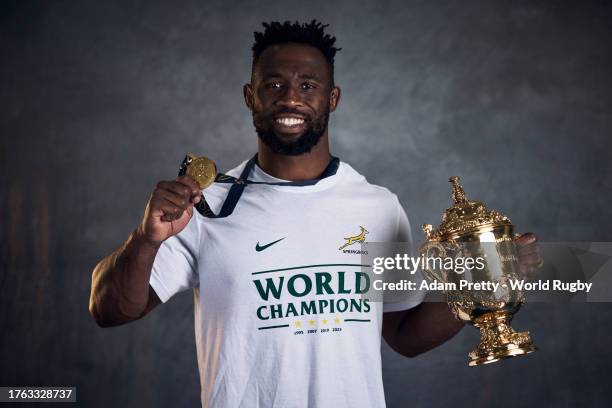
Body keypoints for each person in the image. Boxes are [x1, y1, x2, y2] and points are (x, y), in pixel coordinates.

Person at [89, 20, 542, 408]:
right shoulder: (201, 206)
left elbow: (404, 334)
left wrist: (484, 284)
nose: (291, 98)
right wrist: (145, 240)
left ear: (332, 98)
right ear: (251, 96)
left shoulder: (378, 206)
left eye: (308, 85)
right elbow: (109, 310)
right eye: (274, 85)